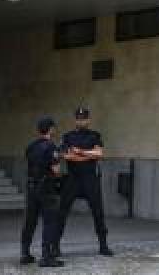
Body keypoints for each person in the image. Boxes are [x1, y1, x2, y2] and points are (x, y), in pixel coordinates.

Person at [57, 106, 113, 256]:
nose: (81, 121)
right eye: (78, 119)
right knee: (62, 212)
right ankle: (55, 246)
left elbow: (99, 154)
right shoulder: (67, 136)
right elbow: (64, 155)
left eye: (84, 119)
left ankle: (103, 245)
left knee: (98, 212)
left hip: (90, 179)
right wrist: (88, 156)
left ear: (88, 120)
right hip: (72, 178)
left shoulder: (95, 135)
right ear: (75, 120)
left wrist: (80, 152)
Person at [21, 116, 65, 267]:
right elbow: (56, 170)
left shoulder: (31, 146)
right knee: (50, 222)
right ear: (51, 129)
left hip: (31, 186)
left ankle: (25, 253)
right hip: (46, 188)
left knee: (30, 221)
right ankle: (46, 257)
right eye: (54, 128)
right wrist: (59, 159)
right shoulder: (51, 147)